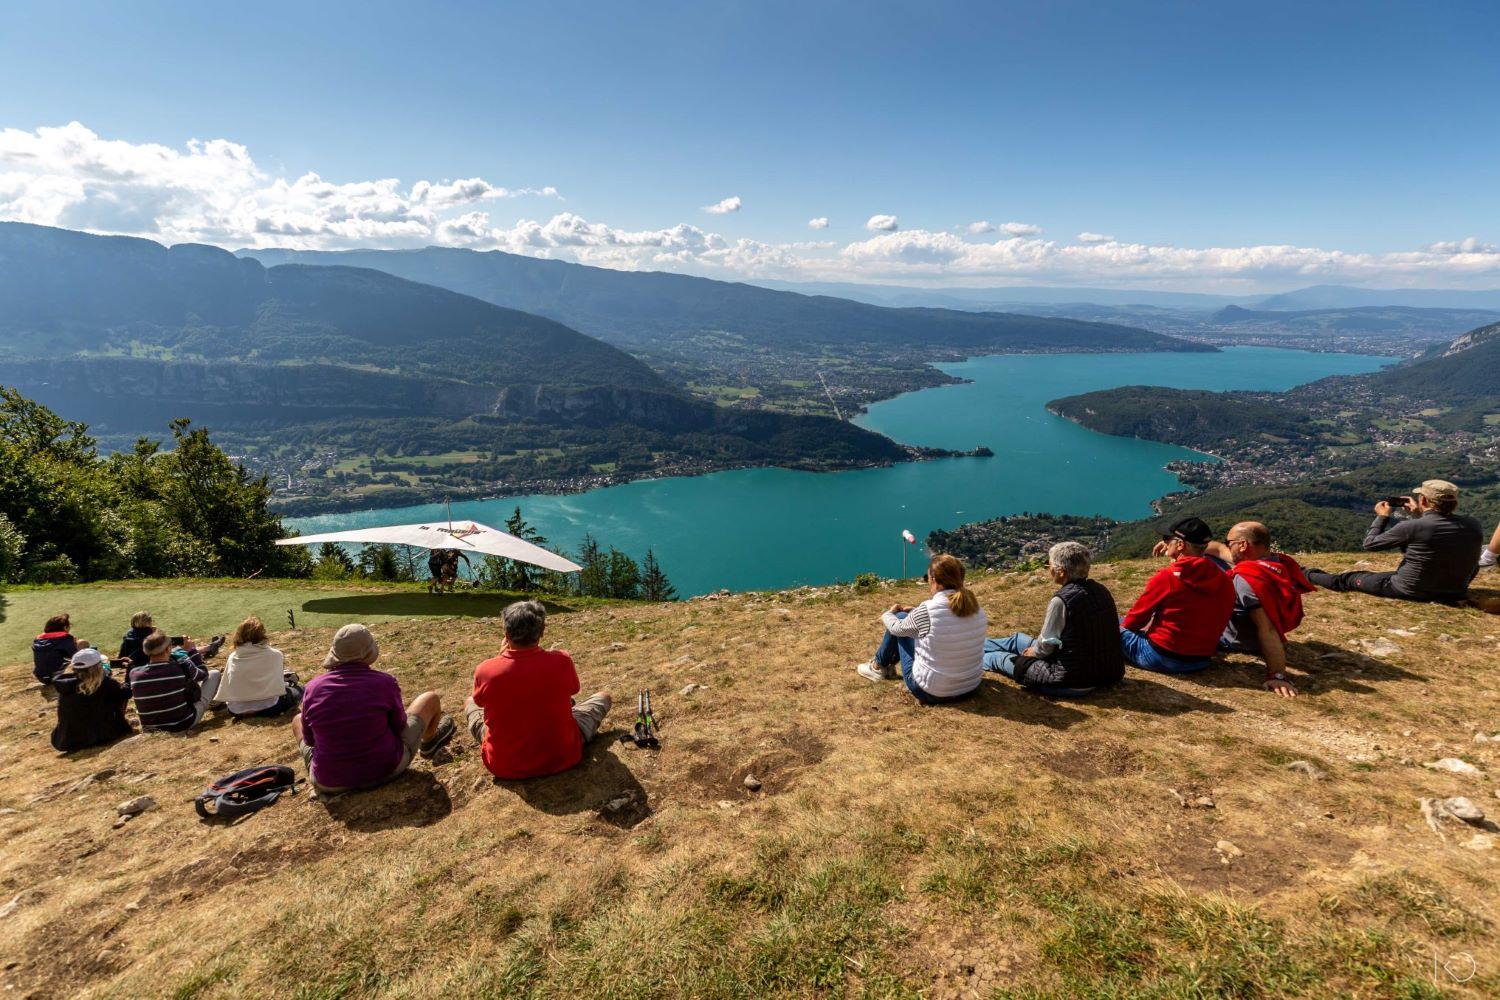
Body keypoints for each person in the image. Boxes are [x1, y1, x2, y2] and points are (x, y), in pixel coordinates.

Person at [294, 623, 455, 795]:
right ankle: (429, 743)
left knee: (297, 720)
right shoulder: (384, 682)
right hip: (387, 769)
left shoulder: (312, 689)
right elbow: (400, 726)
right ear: (369, 653)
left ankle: (325, 767)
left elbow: (310, 741)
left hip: (329, 782)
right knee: (429, 699)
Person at [466, 600, 613, 780]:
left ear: (506, 633)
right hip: (563, 756)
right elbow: (574, 689)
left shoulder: (486, 670)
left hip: (505, 766)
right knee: (603, 697)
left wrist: (499, 658)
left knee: (470, 701)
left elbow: (481, 702)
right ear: (542, 631)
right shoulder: (562, 660)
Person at [1305, 480, 1483, 604]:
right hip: (1454, 590)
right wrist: (1418, 515)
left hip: (1410, 589)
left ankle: (1305, 574)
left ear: (1423, 500)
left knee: (1347, 579)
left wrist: (1382, 517)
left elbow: (1370, 544)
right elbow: (1438, 539)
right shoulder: (1474, 524)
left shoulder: (1412, 527)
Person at [982, 541, 1122, 697]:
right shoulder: (1100, 590)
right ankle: (968, 646)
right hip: (1104, 671)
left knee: (996, 658)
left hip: (1070, 680)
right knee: (1016, 640)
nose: (1048, 569)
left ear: (1061, 571)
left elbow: (1046, 645)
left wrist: (1032, 653)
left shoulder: (1062, 601)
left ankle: (964, 658)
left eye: (1049, 566)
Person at [855, 554, 988, 704]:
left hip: (932, 691)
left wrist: (888, 614)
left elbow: (896, 629)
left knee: (899, 617)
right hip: (970, 687)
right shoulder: (977, 609)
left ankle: (878, 667)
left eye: (927, 578)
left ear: (934, 580)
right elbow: (946, 623)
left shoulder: (928, 610)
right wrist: (915, 612)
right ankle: (881, 666)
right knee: (907, 621)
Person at [1203, 522, 1311, 698]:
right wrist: (1176, 543)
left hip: (1237, 641)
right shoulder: (1279, 564)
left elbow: (1267, 629)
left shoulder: (1247, 580)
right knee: (1209, 559)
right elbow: (1217, 550)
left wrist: (1278, 675)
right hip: (1263, 628)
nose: (1228, 546)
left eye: (1230, 542)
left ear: (1243, 545)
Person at [1120, 517, 1236, 674]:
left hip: (1160, 657)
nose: (1165, 543)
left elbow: (1133, 622)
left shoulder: (1167, 577)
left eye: (1167, 539)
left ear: (1181, 545)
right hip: (1200, 660)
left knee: (1106, 623)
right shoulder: (1225, 579)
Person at [124, 630, 222, 732]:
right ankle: (213, 704)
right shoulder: (180, 666)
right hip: (182, 723)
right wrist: (192, 651)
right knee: (214, 674)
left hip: (150, 727)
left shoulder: (134, 673)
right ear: (167, 649)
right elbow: (203, 674)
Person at [218, 617, 304, 718]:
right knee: (301, 689)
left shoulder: (233, 657)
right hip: (270, 707)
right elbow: (277, 682)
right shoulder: (275, 654)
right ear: (262, 634)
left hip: (236, 710)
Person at [51, 648, 134, 752]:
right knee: (117, 695)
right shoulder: (104, 684)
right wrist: (130, 672)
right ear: (98, 667)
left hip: (66, 740)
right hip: (100, 736)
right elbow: (127, 692)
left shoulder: (65, 683)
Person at [119, 611, 224, 667]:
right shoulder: (150, 635)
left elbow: (121, 655)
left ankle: (210, 647)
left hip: (134, 664)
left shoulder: (128, 635)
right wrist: (156, 632)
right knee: (179, 650)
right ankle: (209, 647)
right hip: (154, 660)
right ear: (147, 622)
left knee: (178, 649)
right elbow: (166, 645)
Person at [33, 613, 85, 686]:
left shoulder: (38, 639)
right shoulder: (65, 638)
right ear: (64, 628)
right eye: (69, 626)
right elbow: (76, 656)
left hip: (40, 677)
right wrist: (75, 644)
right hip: (56, 676)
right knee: (83, 648)